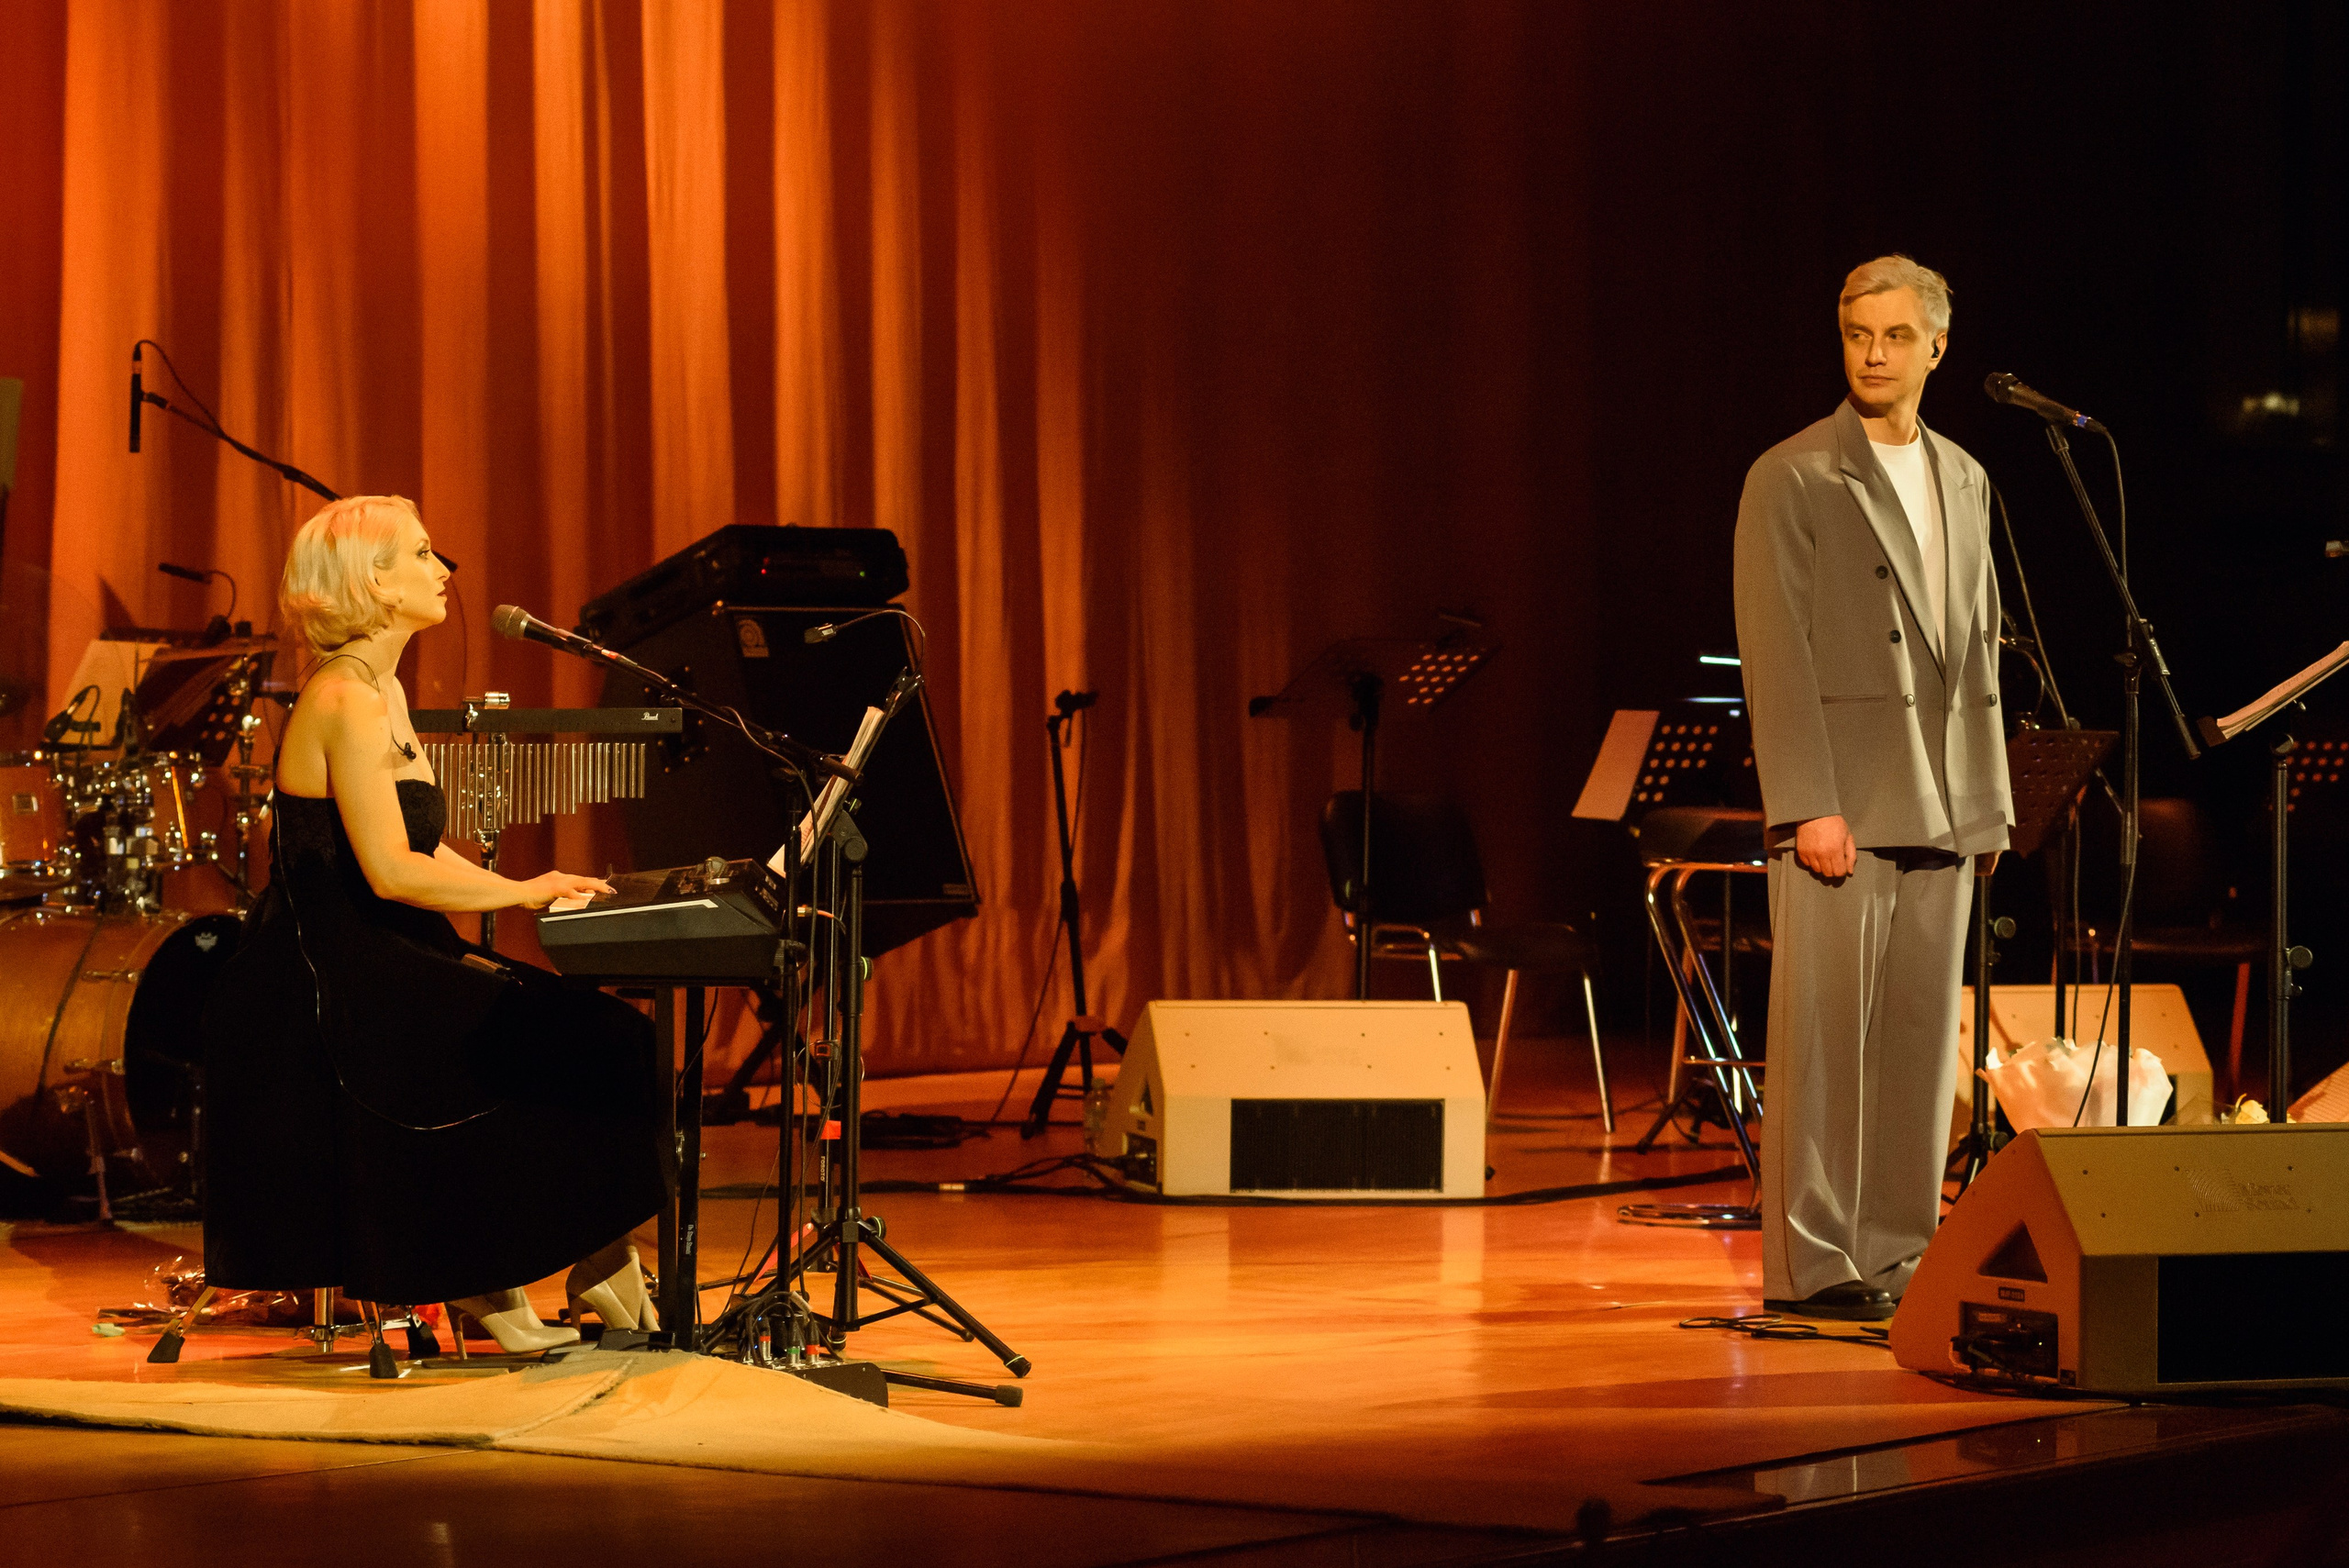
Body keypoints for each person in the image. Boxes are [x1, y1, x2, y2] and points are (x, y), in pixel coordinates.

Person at [201, 495, 668, 1351]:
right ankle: (484, 1270)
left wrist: (525, 880)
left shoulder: (387, 689)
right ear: (376, 582)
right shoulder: (341, 697)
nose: (444, 568)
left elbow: (422, 841)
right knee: (542, 1032)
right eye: (422, 554)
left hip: (392, 947)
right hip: (331, 966)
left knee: (608, 1032)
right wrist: (521, 892)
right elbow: (387, 870)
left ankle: (593, 1255)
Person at [1732, 255, 2013, 1321]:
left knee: (1912, 1043)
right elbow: (1777, 648)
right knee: (1821, 1046)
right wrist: (1809, 801)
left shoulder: (1965, 475)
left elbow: (1977, 647)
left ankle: (1898, 1250)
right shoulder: (1793, 473)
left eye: (1895, 336)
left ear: (1936, 346)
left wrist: (1984, 801)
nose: (1874, 352)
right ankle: (1814, 1263)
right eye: (1858, 332)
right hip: (1842, 802)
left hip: (1944, 800)